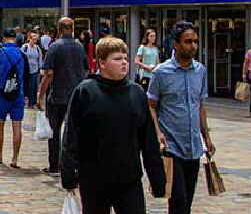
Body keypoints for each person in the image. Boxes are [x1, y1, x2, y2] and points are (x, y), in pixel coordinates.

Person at [60, 37, 166, 213]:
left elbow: (148, 140)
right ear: (102, 62)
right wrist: (69, 176)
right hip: (94, 179)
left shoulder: (136, 92)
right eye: (117, 59)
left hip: (129, 178)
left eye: (125, 58)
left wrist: (157, 179)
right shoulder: (86, 91)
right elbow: (71, 136)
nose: (124, 63)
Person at [147, 21, 216, 214]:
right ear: (176, 44)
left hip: (193, 146)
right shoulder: (161, 73)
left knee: (188, 199)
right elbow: (151, 105)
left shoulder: (200, 71)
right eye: (188, 41)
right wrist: (158, 133)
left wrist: (207, 137)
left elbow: (200, 105)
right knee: (179, 201)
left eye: (195, 41)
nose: (192, 46)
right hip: (171, 146)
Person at [37, 17, 89, 176]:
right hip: (76, 95)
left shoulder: (54, 47)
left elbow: (48, 74)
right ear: (72, 29)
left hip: (57, 95)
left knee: (54, 131)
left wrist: (40, 95)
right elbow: (86, 70)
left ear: (59, 30)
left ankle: (54, 165)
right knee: (75, 131)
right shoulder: (80, 47)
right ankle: (74, 164)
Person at [0, 28, 31, 169]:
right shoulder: (22, 54)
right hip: (18, 94)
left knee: (0, 124)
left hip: (2, 93)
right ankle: (15, 158)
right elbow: (27, 75)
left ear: (4, 38)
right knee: (17, 126)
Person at [21, 30, 43, 108]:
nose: (35, 41)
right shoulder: (25, 47)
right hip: (26, 70)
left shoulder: (37, 48)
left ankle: (32, 102)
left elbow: (40, 59)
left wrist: (40, 69)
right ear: (29, 39)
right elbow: (21, 57)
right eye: (33, 39)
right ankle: (26, 101)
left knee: (33, 86)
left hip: (35, 69)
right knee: (26, 85)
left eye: (36, 39)